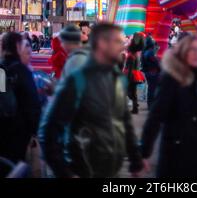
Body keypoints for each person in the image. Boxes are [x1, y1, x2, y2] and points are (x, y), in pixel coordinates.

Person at [39, 22, 145, 178]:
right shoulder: (78, 80)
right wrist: (63, 172)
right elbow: (48, 131)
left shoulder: (115, 78)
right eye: (118, 42)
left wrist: (136, 160)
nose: (123, 47)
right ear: (102, 44)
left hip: (109, 167)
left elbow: (124, 120)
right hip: (83, 167)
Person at [141, 33, 197, 178]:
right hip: (176, 152)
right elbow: (156, 116)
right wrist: (145, 151)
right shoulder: (171, 79)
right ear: (183, 52)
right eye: (191, 50)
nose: (196, 54)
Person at [0, 32, 41, 163]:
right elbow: (32, 104)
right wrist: (34, 131)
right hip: (18, 132)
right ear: (17, 46)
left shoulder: (1, 69)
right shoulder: (22, 71)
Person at [123, 32, 145, 114]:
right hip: (134, 75)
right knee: (133, 92)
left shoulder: (131, 55)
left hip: (131, 75)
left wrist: (127, 78)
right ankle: (135, 107)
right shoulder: (135, 54)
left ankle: (134, 107)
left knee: (129, 91)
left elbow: (130, 68)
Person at [141, 35, 160, 109]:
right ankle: (151, 105)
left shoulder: (144, 51)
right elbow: (155, 62)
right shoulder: (150, 52)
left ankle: (150, 104)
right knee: (153, 89)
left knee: (150, 89)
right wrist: (159, 66)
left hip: (148, 72)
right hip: (153, 72)